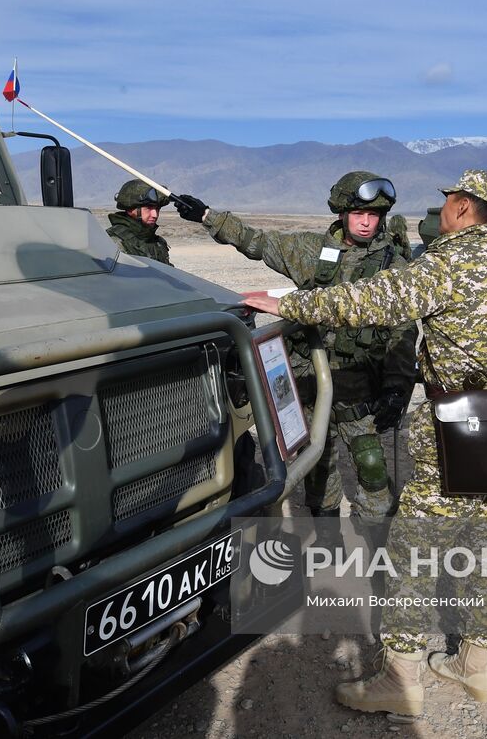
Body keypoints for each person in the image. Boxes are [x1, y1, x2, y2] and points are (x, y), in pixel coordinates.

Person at [242, 170, 487, 718]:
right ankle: (478, 667)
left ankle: (399, 681)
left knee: (415, 551)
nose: (445, 209)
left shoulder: (450, 263)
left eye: (450, 201)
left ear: (464, 207)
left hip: (457, 421)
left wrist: (288, 306)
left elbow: (368, 304)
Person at [173, 172, 417, 519]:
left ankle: (378, 543)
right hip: (309, 383)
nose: (366, 222)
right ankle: (327, 538)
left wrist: (397, 388)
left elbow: (403, 332)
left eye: (374, 216)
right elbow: (256, 242)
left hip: (360, 387)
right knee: (316, 462)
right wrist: (207, 216)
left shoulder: (394, 266)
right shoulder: (310, 250)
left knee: (371, 463)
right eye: (359, 214)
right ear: (341, 214)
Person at [105, 180, 173, 264]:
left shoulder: (158, 242)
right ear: (131, 208)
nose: (155, 214)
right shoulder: (111, 242)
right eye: (148, 208)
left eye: (157, 209)